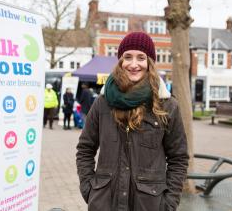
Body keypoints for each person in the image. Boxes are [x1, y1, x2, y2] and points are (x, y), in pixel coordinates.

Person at [76, 32, 189, 211]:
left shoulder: (167, 105)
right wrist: (89, 190)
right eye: (127, 57)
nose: (134, 64)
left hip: (149, 204)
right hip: (105, 203)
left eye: (141, 58)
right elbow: (85, 148)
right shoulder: (103, 102)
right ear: (121, 61)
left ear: (149, 62)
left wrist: (169, 203)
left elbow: (178, 158)